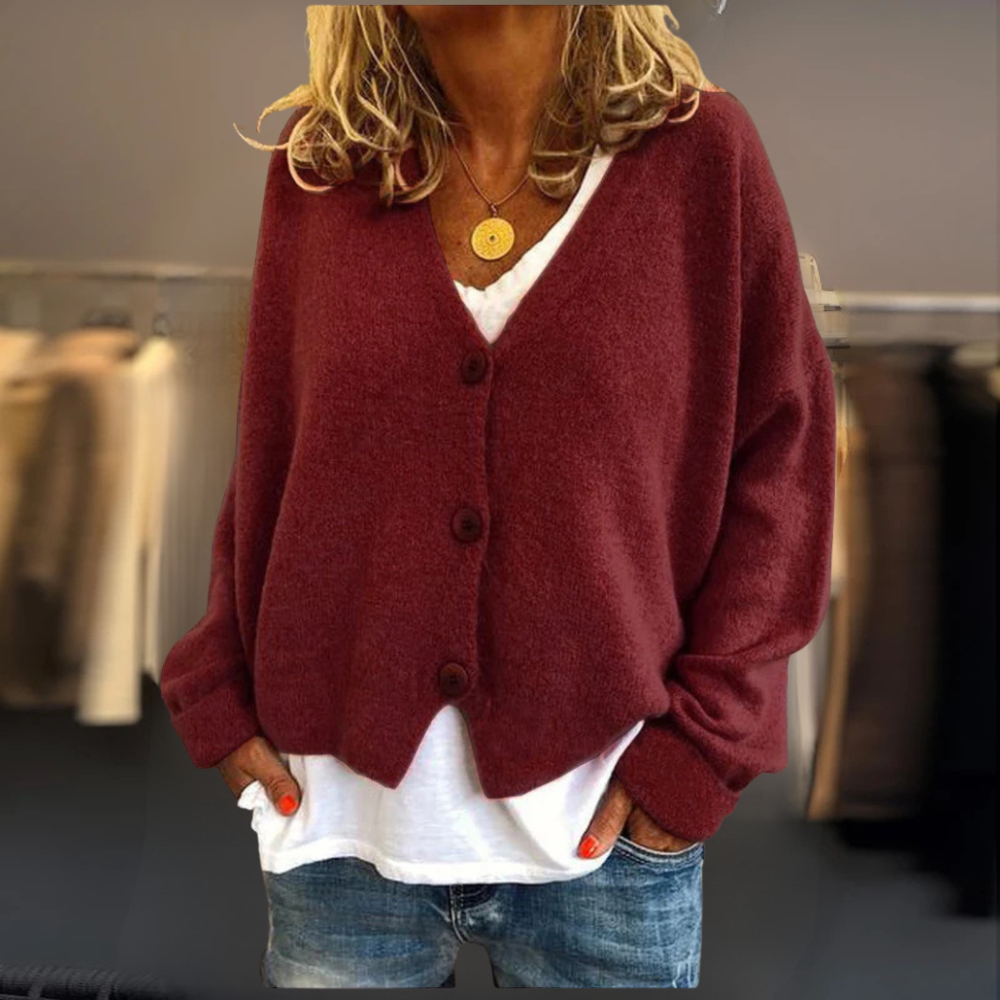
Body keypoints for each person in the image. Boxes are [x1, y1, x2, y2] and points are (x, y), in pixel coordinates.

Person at [159, 4, 837, 989]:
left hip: (602, 836)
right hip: (340, 827)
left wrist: (701, 751)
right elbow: (274, 450)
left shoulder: (698, 157)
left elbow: (785, 456)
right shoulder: (323, 168)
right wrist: (217, 685)